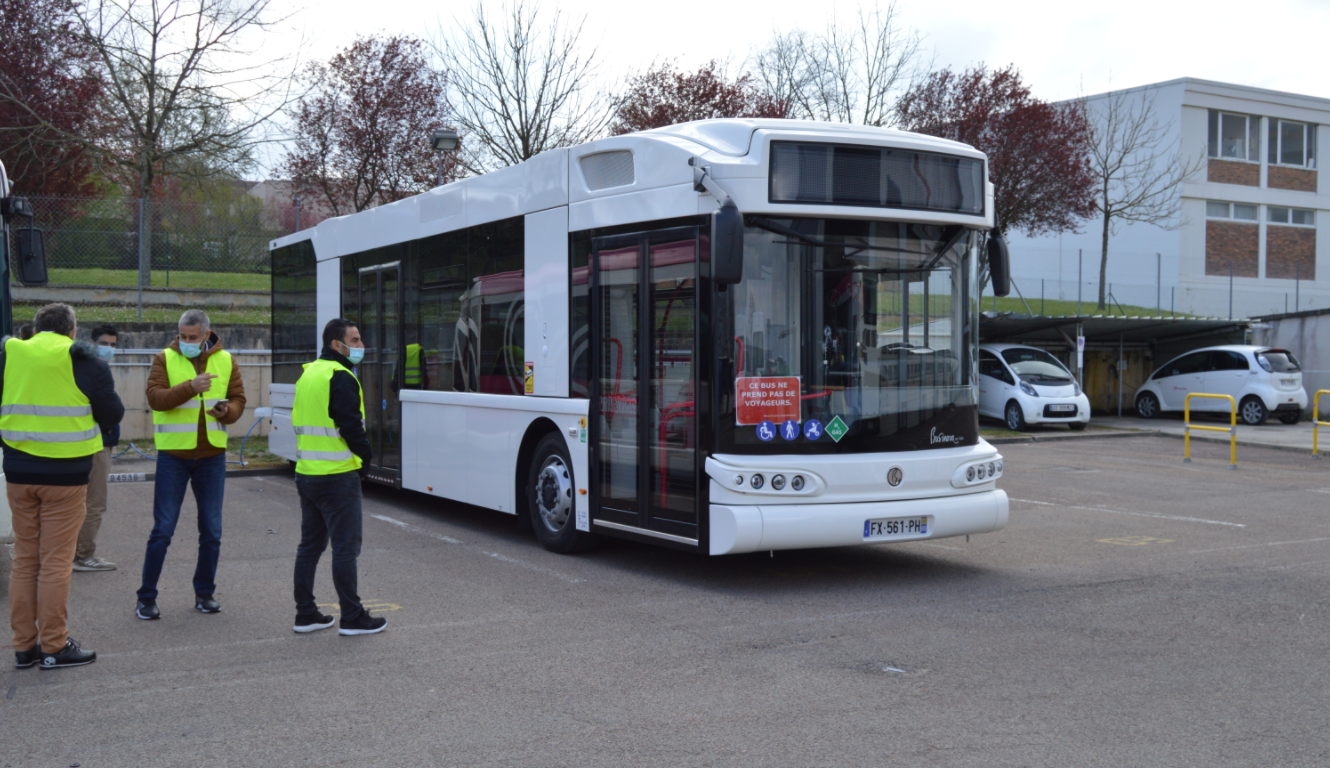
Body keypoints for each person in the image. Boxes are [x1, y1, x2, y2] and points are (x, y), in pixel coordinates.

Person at [2, 303, 124, 670]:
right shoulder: (84, 361)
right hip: (66, 477)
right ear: (72, 331)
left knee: (25, 559)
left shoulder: (11, 356)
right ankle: (54, 645)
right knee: (56, 562)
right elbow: (113, 413)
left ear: (36, 329)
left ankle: (24, 647)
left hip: (19, 474)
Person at [134, 309, 245, 620]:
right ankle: (146, 598)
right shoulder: (164, 359)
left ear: (206, 335)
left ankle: (204, 593)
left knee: (212, 530)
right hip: (174, 457)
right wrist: (190, 388)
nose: (186, 342)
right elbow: (155, 398)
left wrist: (227, 412)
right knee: (163, 530)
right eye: (182, 336)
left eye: (192, 338)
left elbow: (238, 400)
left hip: (212, 456)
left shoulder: (226, 360)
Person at [290, 318, 385, 636]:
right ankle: (353, 618)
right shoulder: (341, 376)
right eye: (355, 340)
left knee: (309, 547)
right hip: (337, 475)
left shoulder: (309, 373)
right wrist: (366, 458)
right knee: (346, 548)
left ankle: (305, 614)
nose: (361, 346)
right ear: (337, 345)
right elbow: (350, 425)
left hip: (307, 473)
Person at [72, 324, 121, 572]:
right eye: (104, 343)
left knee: (77, 501)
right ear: (91, 342)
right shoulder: (94, 370)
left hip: (85, 442)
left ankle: (72, 552)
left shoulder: (79, 366)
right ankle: (84, 555)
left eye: (113, 345)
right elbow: (110, 411)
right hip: (97, 443)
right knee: (94, 502)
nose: (108, 349)